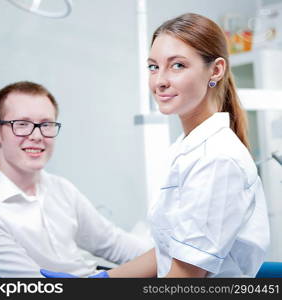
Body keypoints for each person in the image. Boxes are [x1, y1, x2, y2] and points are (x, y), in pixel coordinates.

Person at [41, 13, 270, 278]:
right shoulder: (187, 148)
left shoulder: (217, 159)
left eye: (177, 66)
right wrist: (103, 281)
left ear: (216, 70)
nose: (160, 80)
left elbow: (185, 276)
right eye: (153, 66)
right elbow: (171, 251)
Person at [0, 81, 150, 277]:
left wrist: (171, 255)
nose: (37, 136)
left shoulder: (61, 189)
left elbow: (115, 244)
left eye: (46, 124)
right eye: (22, 124)